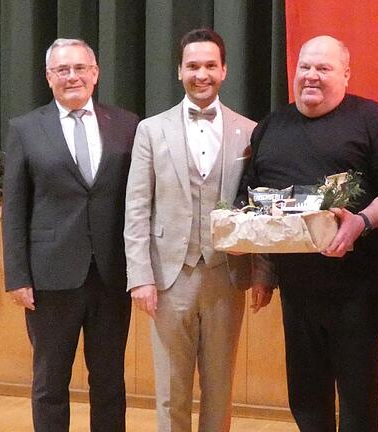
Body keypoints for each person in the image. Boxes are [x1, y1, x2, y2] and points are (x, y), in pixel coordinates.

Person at [235, 35, 378, 431]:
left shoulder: (375, 121)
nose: (311, 76)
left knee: (357, 398)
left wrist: (360, 222)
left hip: (357, 289)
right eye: (304, 67)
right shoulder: (271, 127)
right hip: (297, 290)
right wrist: (258, 264)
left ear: (346, 74)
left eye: (323, 68)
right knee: (306, 395)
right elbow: (252, 199)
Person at [124, 28, 273, 432]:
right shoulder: (151, 131)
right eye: (193, 65)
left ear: (224, 70)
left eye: (210, 65)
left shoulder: (250, 130)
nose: (201, 73)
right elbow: (136, 207)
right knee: (171, 389)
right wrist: (140, 277)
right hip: (169, 277)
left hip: (227, 274)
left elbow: (260, 208)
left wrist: (262, 272)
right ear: (179, 71)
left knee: (220, 386)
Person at [2, 38, 139, 432]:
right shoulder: (26, 129)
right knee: (50, 384)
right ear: (49, 78)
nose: (72, 76)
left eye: (80, 68)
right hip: (49, 280)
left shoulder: (127, 125)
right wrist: (18, 276)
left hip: (113, 276)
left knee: (110, 381)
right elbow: (14, 209)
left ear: (95, 74)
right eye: (63, 70)